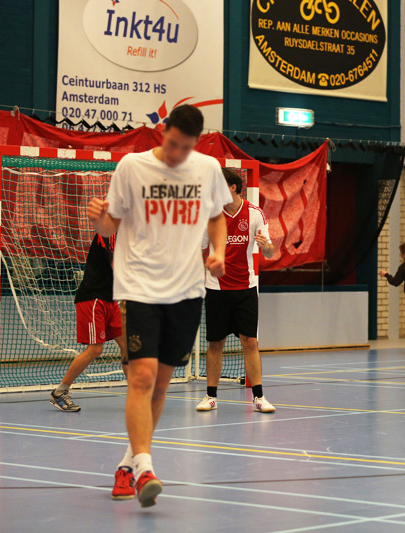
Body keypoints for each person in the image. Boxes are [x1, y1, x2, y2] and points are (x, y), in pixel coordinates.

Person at [88, 104, 231, 507]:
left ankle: (127, 465)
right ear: (163, 131)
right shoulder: (132, 167)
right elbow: (110, 225)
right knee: (142, 377)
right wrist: (98, 219)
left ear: (196, 144)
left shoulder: (207, 170)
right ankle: (146, 469)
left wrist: (219, 252)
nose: (176, 154)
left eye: (185, 148)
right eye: (172, 144)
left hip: (187, 292)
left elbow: (216, 217)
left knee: (161, 384)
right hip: (139, 288)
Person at [196, 169, 276, 413]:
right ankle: (211, 396)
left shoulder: (254, 213)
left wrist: (266, 246)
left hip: (245, 288)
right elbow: (200, 249)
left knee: (249, 341)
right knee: (215, 343)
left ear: (232, 187)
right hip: (216, 288)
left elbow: (269, 252)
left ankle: (259, 397)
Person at [49, 233, 126, 412]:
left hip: (110, 299)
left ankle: (137, 393)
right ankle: (60, 392)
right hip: (93, 299)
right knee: (95, 349)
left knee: (127, 345)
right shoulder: (107, 233)